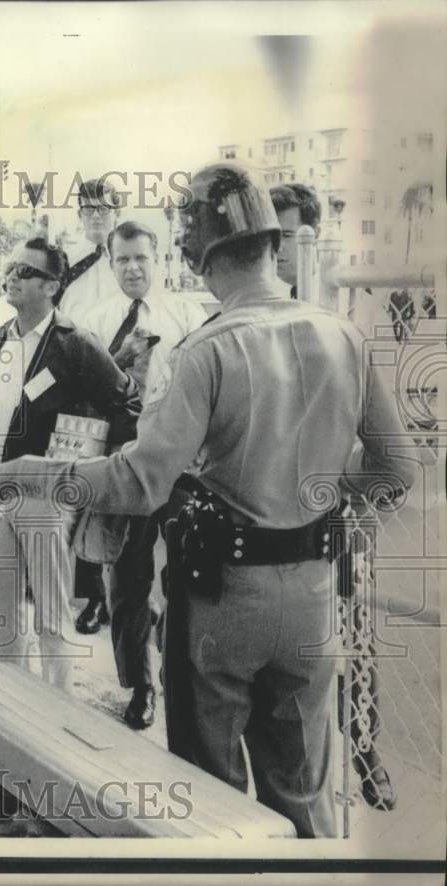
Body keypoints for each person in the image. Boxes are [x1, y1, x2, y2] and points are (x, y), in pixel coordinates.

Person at [0, 163, 416, 837]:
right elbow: (396, 467)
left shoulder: (206, 350)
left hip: (222, 600)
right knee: (304, 800)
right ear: (273, 245)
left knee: (211, 811)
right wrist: (324, 497)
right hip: (313, 598)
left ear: (195, 256)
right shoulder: (343, 336)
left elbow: (141, 483)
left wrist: (38, 473)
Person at [0, 237, 142, 691]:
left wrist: (88, 469)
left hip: (44, 498)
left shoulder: (74, 344)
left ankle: (55, 715)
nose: (12, 278)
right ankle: (10, 709)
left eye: (25, 272)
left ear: (52, 286)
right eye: (10, 268)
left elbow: (127, 406)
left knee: (51, 615)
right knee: (2, 613)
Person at [272, 183, 397, 811]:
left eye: (292, 237)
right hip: (278, 516)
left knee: (356, 629)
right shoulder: (258, 311)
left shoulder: (350, 311)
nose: (281, 252)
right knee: (296, 642)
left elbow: (382, 434)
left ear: (312, 238)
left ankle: (365, 746)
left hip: (340, 509)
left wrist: (334, 480)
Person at [78, 220, 208, 729]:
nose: (132, 268)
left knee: (185, 578)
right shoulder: (92, 321)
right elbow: (83, 396)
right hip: (121, 465)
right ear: (110, 263)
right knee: (127, 581)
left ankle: (182, 675)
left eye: (141, 258)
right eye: (122, 259)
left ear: (159, 259)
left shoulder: (188, 315)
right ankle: (140, 685)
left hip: (179, 468)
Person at [55, 179, 122, 635]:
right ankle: (88, 594)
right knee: (77, 492)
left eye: (105, 210)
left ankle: (115, 597)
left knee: (114, 496)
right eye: (89, 210)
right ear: (80, 216)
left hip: (120, 391)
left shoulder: (127, 264)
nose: (96, 216)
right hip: (78, 395)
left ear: (116, 214)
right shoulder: (70, 268)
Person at [270, 183, 321, 298]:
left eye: (287, 235)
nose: (276, 247)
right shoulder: (256, 297)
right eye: (272, 236)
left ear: (316, 234)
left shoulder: (346, 296)